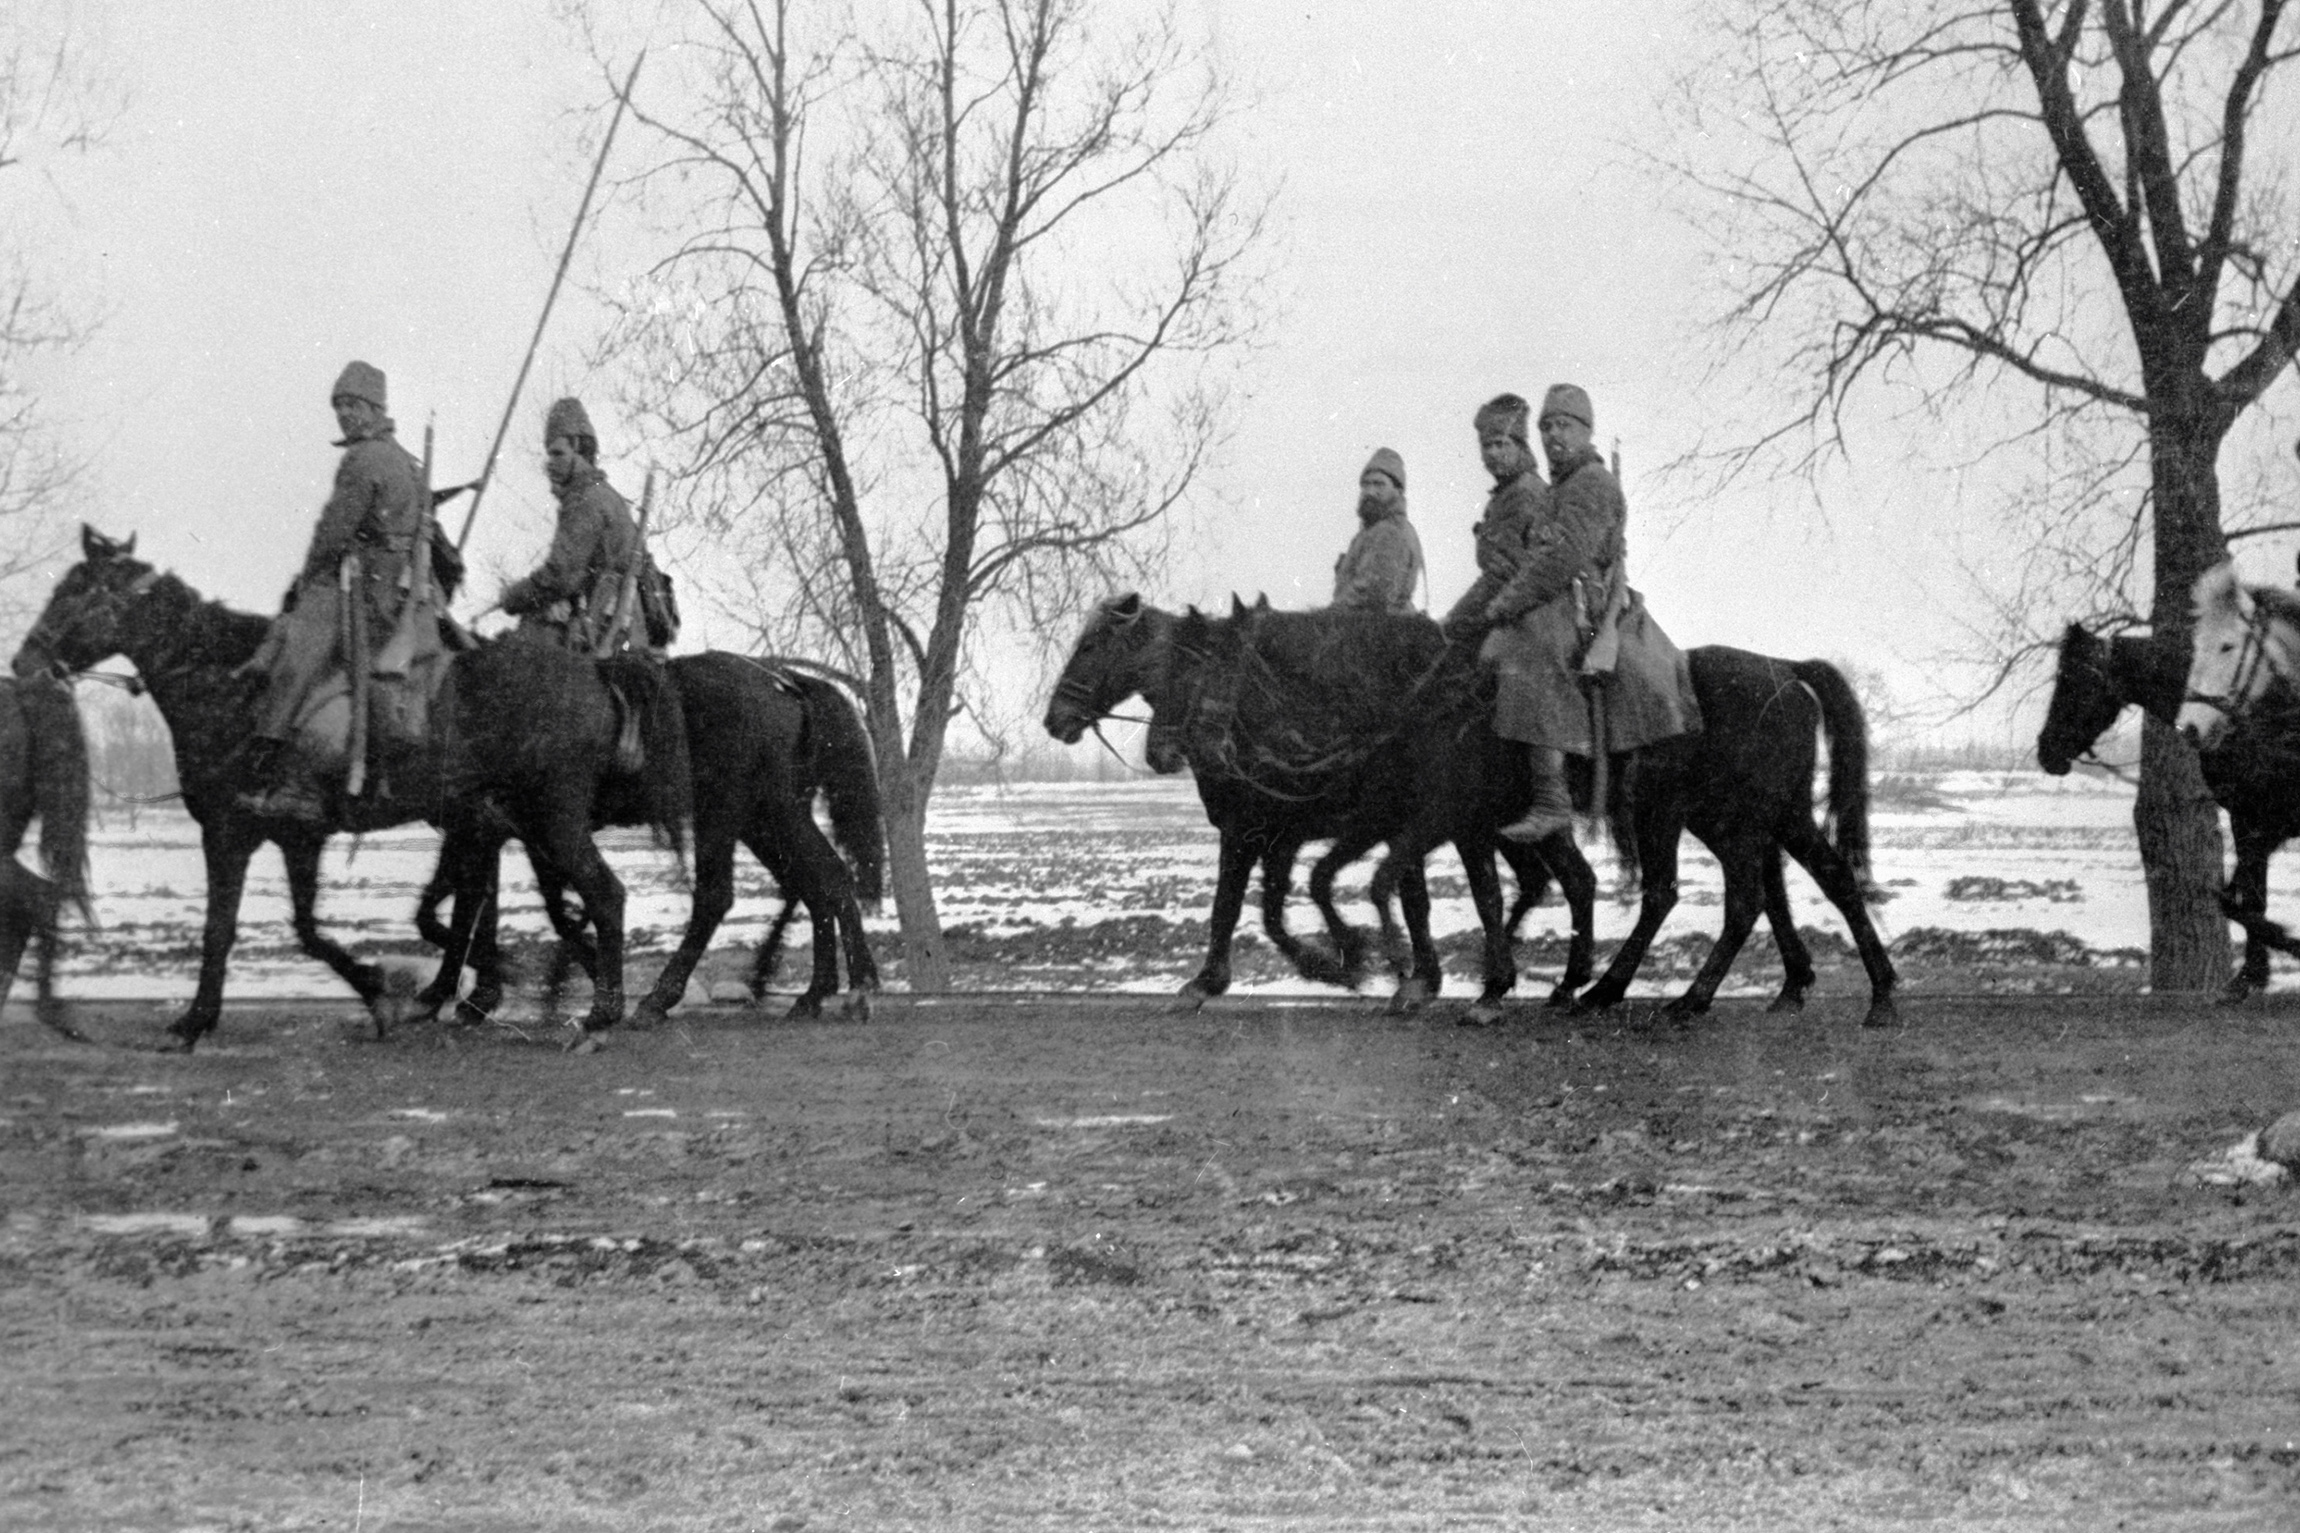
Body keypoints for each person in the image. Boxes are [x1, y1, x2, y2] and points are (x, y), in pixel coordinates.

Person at [1447, 384, 1700, 841]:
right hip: (1566, 595)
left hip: (1585, 603)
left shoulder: (1592, 483)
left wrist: (1504, 604)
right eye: (1546, 427)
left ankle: (1552, 799)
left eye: (1563, 425)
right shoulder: (1562, 486)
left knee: (1530, 649)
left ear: (1586, 431)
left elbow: (1558, 560)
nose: (1552, 436)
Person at [239, 361, 427, 820]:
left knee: (298, 649)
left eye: (353, 405)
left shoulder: (363, 459)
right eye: (339, 405)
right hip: (404, 588)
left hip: (367, 589)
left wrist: (306, 583)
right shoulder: (404, 459)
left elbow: (333, 531)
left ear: (375, 407)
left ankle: (283, 770)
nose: (344, 414)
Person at [499, 397, 646, 653]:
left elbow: (560, 577)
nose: (550, 464)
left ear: (578, 447)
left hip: (600, 629)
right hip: (624, 625)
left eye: (557, 453)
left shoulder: (585, 499)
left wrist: (513, 597)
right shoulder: (606, 494)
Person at [1330, 447, 1425, 613]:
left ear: (1398, 490)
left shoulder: (1389, 532)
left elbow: (1371, 593)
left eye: (1379, 484)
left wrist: (1328, 615)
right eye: (1365, 485)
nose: (1370, 492)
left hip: (1378, 631)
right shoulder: (1373, 532)